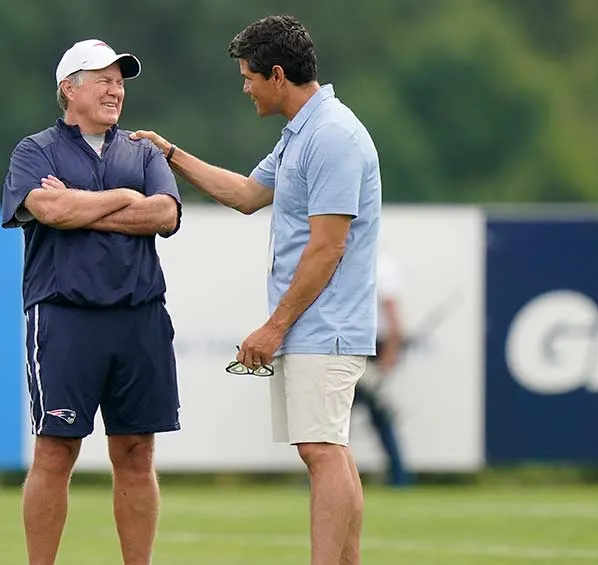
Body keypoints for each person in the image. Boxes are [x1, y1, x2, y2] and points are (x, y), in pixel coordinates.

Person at [131, 15, 381, 565]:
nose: (244, 88)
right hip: (316, 324)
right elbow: (246, 193)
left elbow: (328, 247)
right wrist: (170, 153)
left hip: (328, 324)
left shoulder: (333, 136)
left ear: (276, 74)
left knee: (321, 451)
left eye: (248, 77)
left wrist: (274, 326)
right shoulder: (303, 133)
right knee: (328, 450)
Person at [0, 39, 182, 565]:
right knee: (55, 452)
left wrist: (85, 208)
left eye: (119, 80)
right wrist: (126, 198)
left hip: (139, 317)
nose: (115, 88)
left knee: (136, 453)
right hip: (65, 316)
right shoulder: (34, 151)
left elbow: (163, 216)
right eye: (101, 78)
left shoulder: (144, 151)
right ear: (68, 88)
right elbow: (48, 208)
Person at [353, 250, 413, 487]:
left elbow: (394, 321)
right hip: (354, 347)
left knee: (378, 415)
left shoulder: (380, 266)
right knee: (337, 417)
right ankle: (399, 476)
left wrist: (387, 361)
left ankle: (399, 476)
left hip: (371, 351)